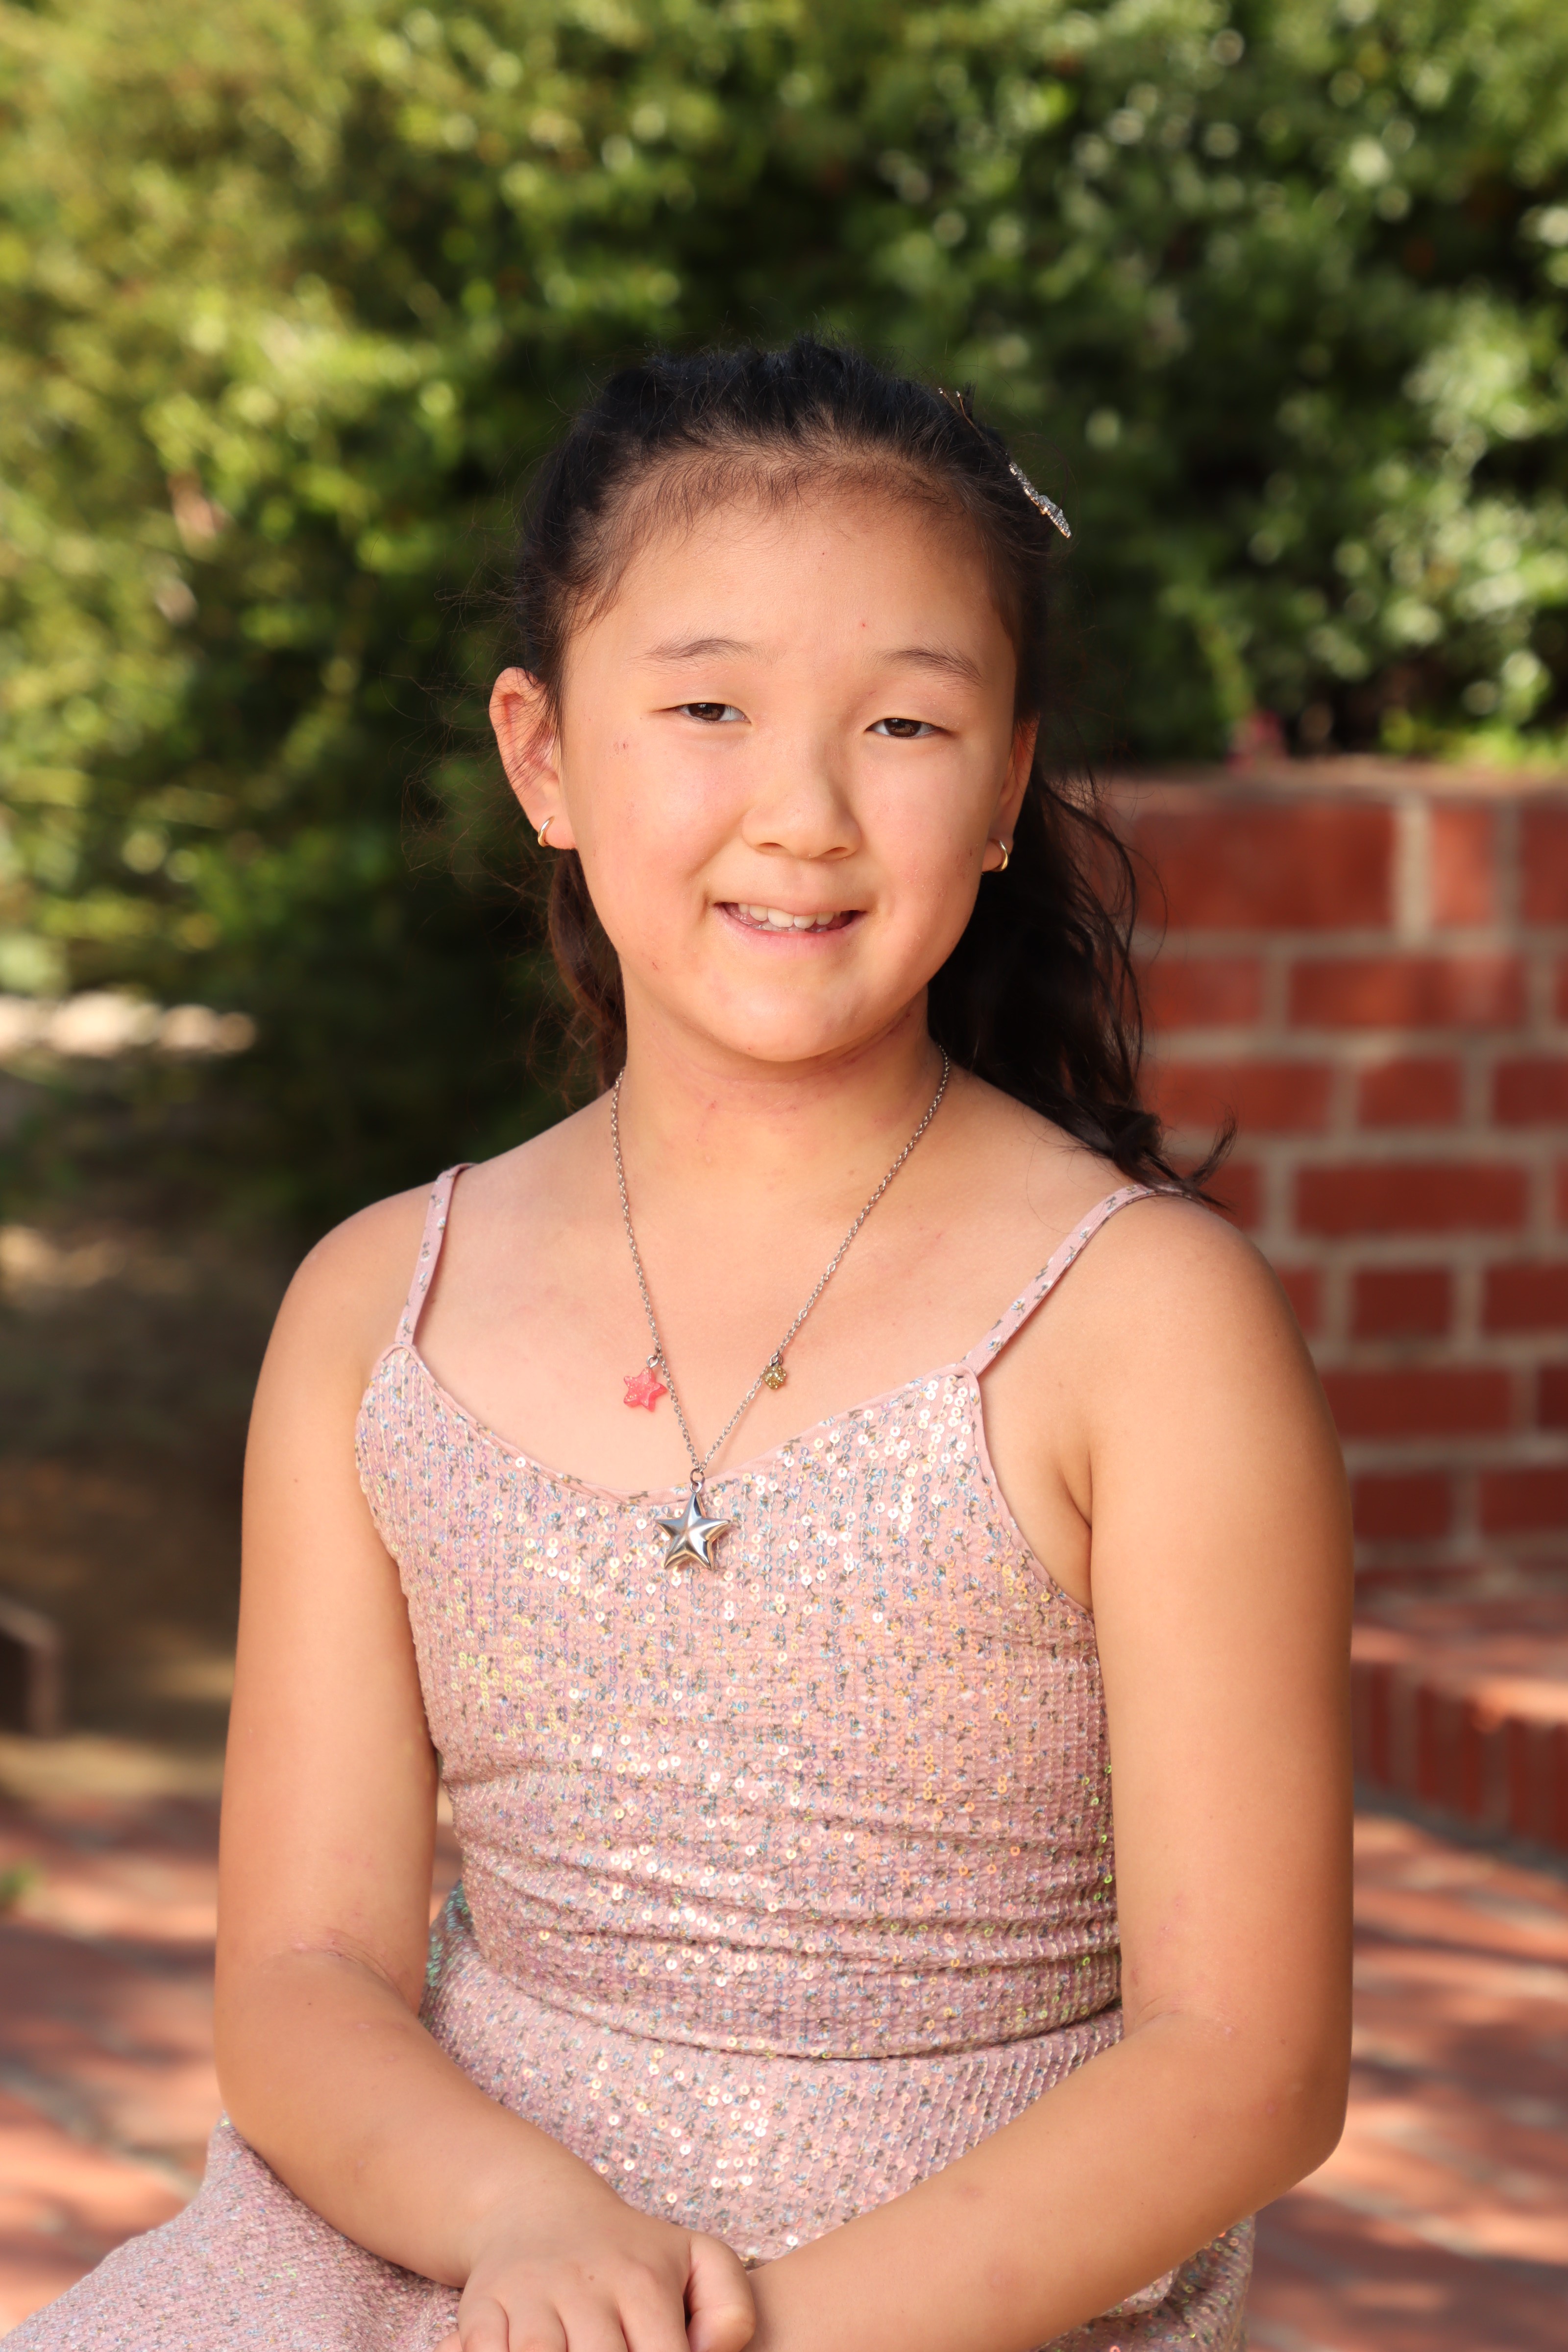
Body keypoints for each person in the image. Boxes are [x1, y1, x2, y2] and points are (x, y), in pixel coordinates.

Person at [9, 339, 1352, 2352]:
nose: (802, 813)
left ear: (1004, 785)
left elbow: (1244, 2065)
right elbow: (298, 1980)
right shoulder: (379, 1313)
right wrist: (528, 2229)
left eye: (903, 723)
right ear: (543, 754)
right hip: (459, 2254)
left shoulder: (1139, 1326)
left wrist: (760, 2338)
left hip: (943, 2300)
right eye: (709, 707)